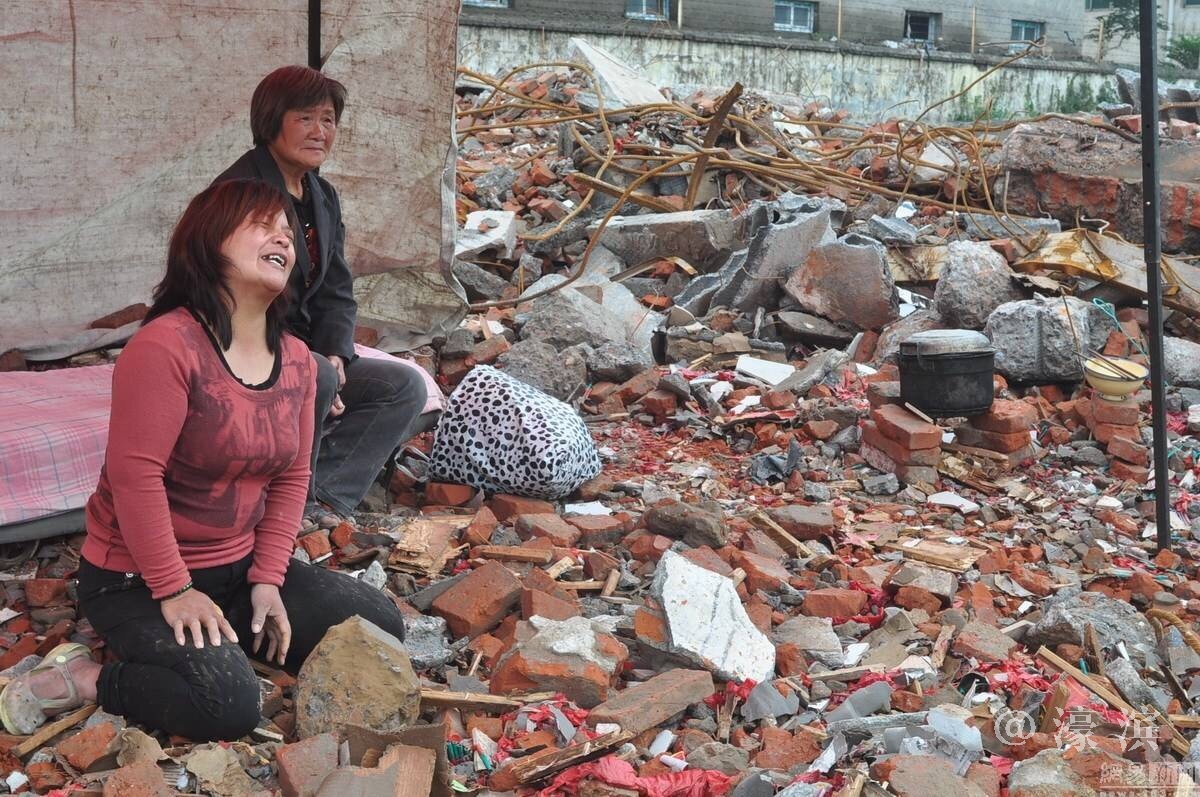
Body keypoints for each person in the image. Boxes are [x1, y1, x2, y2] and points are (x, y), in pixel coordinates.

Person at [0, 180, 409, 741]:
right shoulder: (165, 347)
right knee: (228, 707)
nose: (283, 239)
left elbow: (292, 475)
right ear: (210, 241)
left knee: (380, 625)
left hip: (238, 569)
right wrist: (174, 589)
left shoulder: (297, 360)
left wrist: (268, 579)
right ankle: (85, 677)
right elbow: (135, 477)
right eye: (263, 226)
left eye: (288, 233)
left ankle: (225, 633)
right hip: (136, 579)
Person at [214, 65, 428, 532]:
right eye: (306, 118)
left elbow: (335, 287)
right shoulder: (241, 193)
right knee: (315, 376)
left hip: (304, 349)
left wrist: (335, 353)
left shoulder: (321, 195)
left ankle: (326, 499)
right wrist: (309, 362)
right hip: (241, 347)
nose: (320, 131)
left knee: (402, 386)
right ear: (271, 121)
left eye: (328, 120)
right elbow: (238, 300)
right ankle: (283, 509)